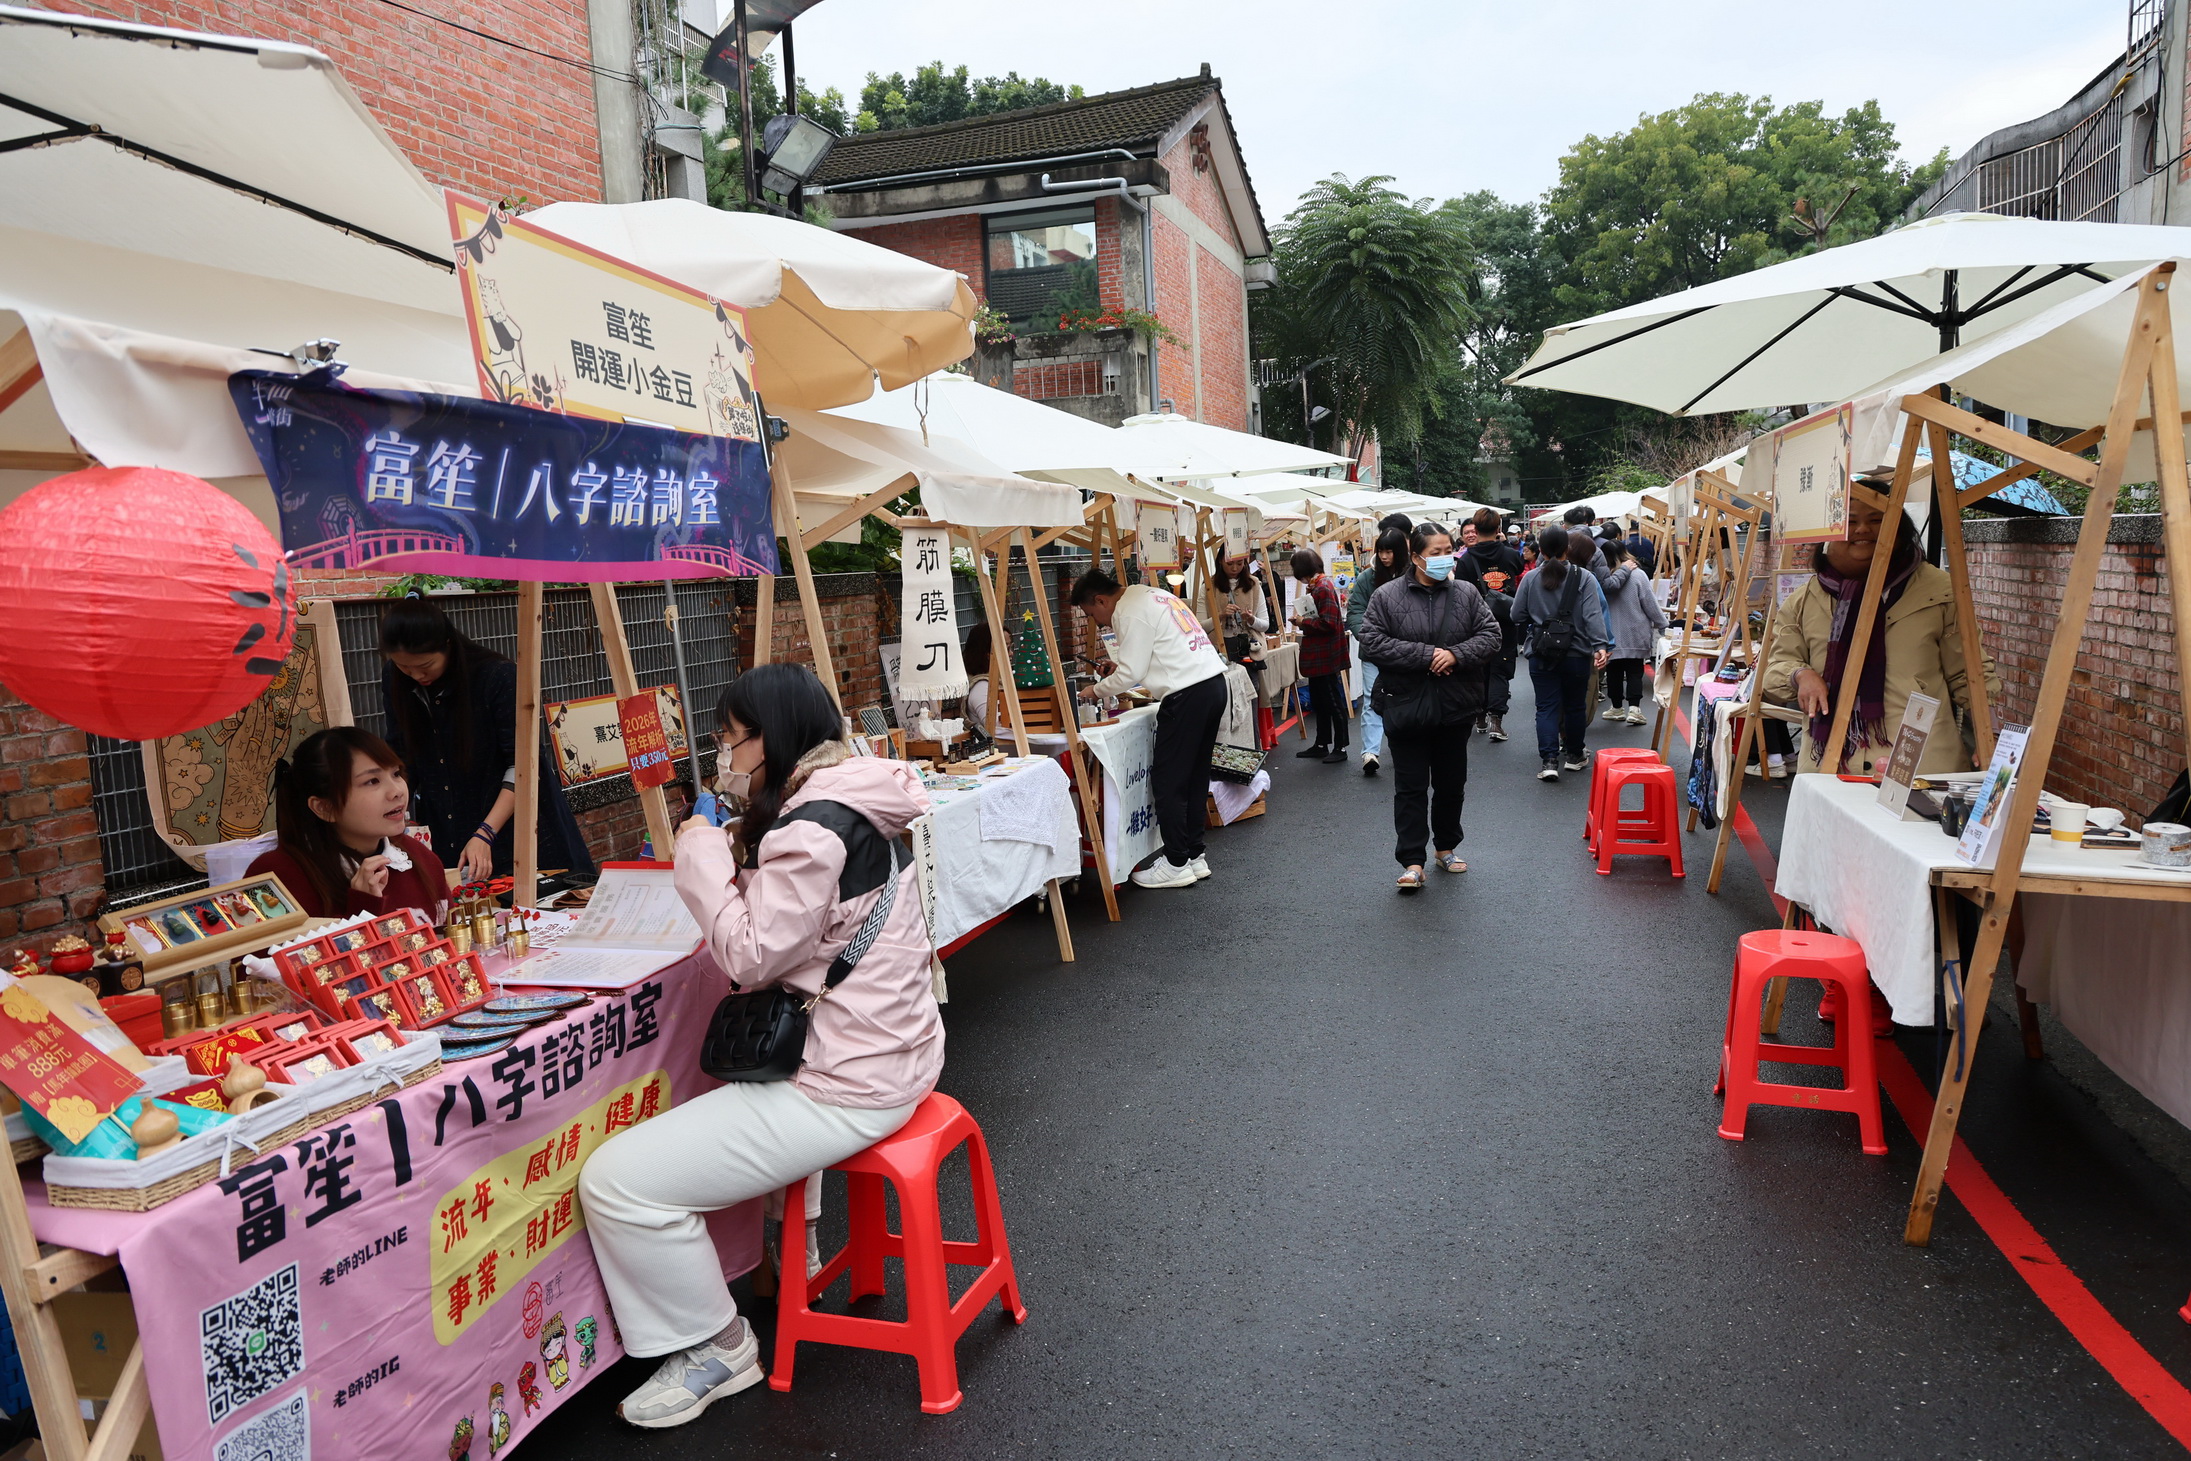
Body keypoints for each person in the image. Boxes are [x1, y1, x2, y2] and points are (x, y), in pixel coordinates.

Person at [578, 663, 942, 1430]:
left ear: (769, 738)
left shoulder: (812, 826)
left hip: (843, 1081)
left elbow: (748, 957)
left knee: (617, 1180)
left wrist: (701, 854)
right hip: (893, 1048)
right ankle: (791, 1256)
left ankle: (719, 1343)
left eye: (732, 739)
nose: (728, 756)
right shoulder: (860, 786)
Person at [1763, 498, 2001, 775]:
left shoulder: (1942, 591)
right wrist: (1800, 675)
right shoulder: (1803, 601)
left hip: (1920, 758)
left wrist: (1990, 735)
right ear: (1829, 533)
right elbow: (1775, 670)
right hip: (1829, 762)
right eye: (1850, 521)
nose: (1863, 529)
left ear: (1899, 527)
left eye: (1877, 520)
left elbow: (1970, 672)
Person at [379, 599, 596, 884]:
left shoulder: (497, 677)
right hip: (450, 829)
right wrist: (399, 814)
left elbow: (524, 765)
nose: (417, 675)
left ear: (448, 644)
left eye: (426, 665)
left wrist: (486, 832)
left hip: (517, 827)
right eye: (405, 668)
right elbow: (401, 755)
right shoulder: (397, 679)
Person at [1358, 523, 1503, 892]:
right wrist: (1426, 655)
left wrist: (1455, 654)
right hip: (1406, 704)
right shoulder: (1387, 596)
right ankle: (1411, 861)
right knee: (1409, 786)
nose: (1444, 558)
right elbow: (1371, 642)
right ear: (1417, 555)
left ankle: (1446, 847)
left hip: (1456, 705)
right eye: (1435, 552)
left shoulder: (1468, 593)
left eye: (1448, 550)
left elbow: (1491, 636)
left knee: (1451, 783)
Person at [1072, 568, 1231, 888]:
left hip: (1187, 693)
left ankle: (1175, 862)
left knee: (1169, 779)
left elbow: (1130, 673)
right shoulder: (1151, 595)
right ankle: (1192, 854)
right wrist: (1120, 671)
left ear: (1101, 600)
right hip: (1213, 684)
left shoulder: (1127, 610)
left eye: (1092, 614)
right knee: (1195, 774)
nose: (1097, 623)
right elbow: (1147, 659)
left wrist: (1094, 691)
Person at [248, 727, 450, 920]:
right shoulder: (274, 877)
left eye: (396, 774)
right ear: (324, 808)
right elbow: (258, 956)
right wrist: (362, 909)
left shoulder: (419, 857)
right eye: (372, 781)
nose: (396, 791)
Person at [1515, 525, 1611, 781]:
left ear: (1541, 550)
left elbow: (1516, 614)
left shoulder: (1531, 578)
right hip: (1577, 651)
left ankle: (1548, 761)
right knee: (1574, 706)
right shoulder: (1585, 577)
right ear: (1566, 549)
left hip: (1541, 652)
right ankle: (1574, 755)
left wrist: (1539, 617)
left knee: (1545, 707)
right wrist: (1600, 645)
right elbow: (1593, 615)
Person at [1347, 527, 1413, 776]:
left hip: (1406, 651)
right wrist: (1365, 635)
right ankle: (1370, 752)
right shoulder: (1367, 578)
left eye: (1389, 551)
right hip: (1374, 651)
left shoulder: (1413, 575)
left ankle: (1404, 748)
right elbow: (1355, 610)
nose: (1385, 557)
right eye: (1381, 551)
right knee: (1371, 700)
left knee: (1405, 700)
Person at [1462, 507, 1524, 744]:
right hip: (1505, 619)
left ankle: (1479, 714)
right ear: (1499, 529)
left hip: (1476, 621)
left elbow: (1461, 590)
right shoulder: (1510, 555)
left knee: (1479, 668)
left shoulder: (1467, 559)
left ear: (1475, 530)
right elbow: (1518, 569)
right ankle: (1496, 719)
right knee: (1500, 668)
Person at [1287, 548, 1351, 765]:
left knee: (1332, 701)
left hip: (1325, 654)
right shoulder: (1319, 585)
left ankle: (1340, 747)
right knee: (1321, 701)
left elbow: (1329, 623)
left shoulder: (1322, 587)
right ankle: (1322, 744)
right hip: (1322, 654)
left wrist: (1302, 622)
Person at [1599, 540, 1665, 726]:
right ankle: (1635, 709)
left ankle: (1616, 707)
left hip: (1610, 633)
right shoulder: (1638, 575)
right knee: (1635, 670)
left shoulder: (1603, 578)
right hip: (1636, 631)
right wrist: (1662, 624)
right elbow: (1650, 604)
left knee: (1613, 671)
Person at [961, 623, 994, 737]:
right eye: (1006, 648)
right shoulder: (982, 687)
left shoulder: (992, 683)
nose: (1010, 653)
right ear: (987, 654)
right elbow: (994, 728)